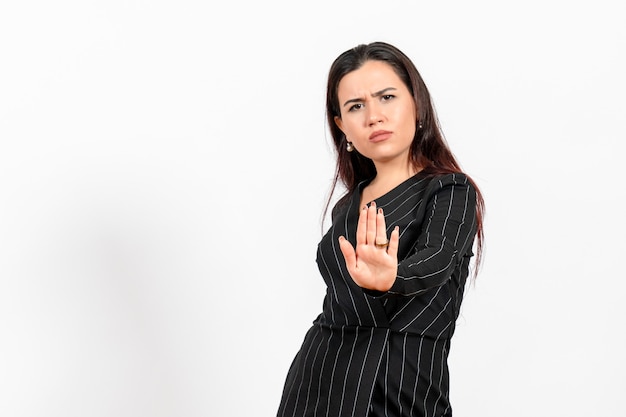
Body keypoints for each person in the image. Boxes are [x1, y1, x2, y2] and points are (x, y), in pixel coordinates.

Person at [277, 41, 485, 417]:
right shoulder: (347, 206)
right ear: (342, 126)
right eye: (356, 106)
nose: (373, 116)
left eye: (386, 97)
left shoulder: (450, 190)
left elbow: (438, 258)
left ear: (416, 103)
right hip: (319, 380)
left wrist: (393, 276)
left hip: (401, 387)